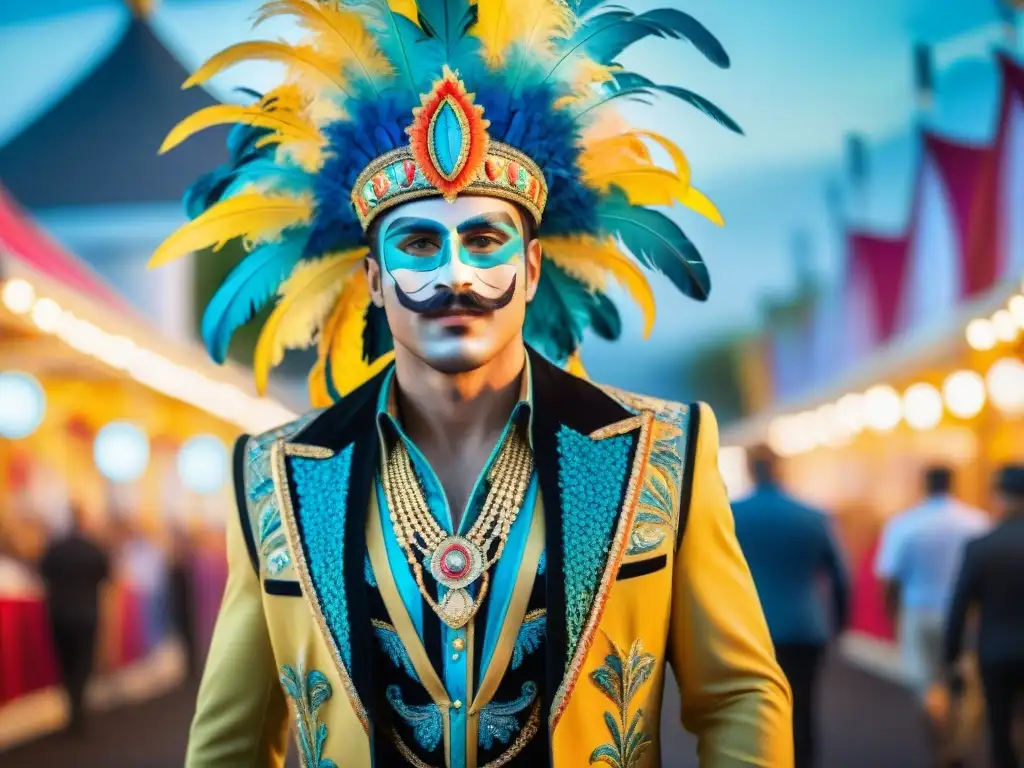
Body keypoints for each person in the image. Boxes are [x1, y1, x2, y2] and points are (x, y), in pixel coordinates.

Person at [153, 2, 793, 765]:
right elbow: (231, 740)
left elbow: (739, 696)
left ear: (529, 270)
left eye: (485, 240)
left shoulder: (660, 451)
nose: (455, 274)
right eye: (419, 244)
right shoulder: (275, 476)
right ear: (376, 281)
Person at [732, 446, 849, 768]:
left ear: (750, 468)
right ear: (780, 468)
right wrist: (839, 626)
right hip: (805, 627)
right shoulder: (814, 516)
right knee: (803, 708)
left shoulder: (730, 514)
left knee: (751, 710)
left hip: (749, 629)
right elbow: (840, 577)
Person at [874, 466, 990, 762]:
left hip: (918, 610)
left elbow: (888, 578)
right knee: (960, 678)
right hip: (964, 613)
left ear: (924, 485)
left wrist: (893, 615)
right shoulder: (976, 521)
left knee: (924, 680)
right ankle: (957, 738)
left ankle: (939, 728)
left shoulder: (905, 523)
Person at [944, 465, 1024, 768]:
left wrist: (951, 656)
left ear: (999, 497)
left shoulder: (980, 547)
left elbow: (959, 606)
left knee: (1000, 730)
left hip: (995, 653)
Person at [39, 504, 110, 737]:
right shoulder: (93, 549)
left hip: (59, 614)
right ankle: (79, 709)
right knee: (83, 663)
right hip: (87, 614)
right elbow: (106, 575)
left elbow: (42, 572)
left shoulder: (56, 548)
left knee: (65, 664)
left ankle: (73, 709)